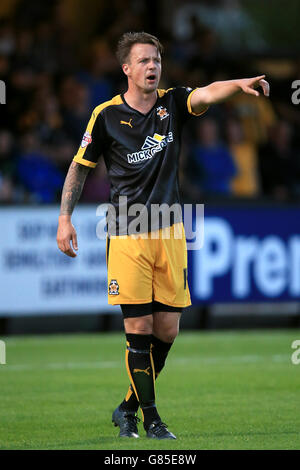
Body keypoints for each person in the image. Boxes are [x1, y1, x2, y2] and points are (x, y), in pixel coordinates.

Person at [56, 31, 270, 440]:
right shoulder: (104, 115)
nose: (152, 67)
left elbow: (207, 93)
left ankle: (126, 408)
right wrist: (65, 218)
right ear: (126, 69)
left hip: (171, 227)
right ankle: (151, 420)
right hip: (126, 230)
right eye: (143, 61)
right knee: (138, 329)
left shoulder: (173, 103)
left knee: (167, 331)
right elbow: (80, 166)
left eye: (156, 59)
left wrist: (238, 85)